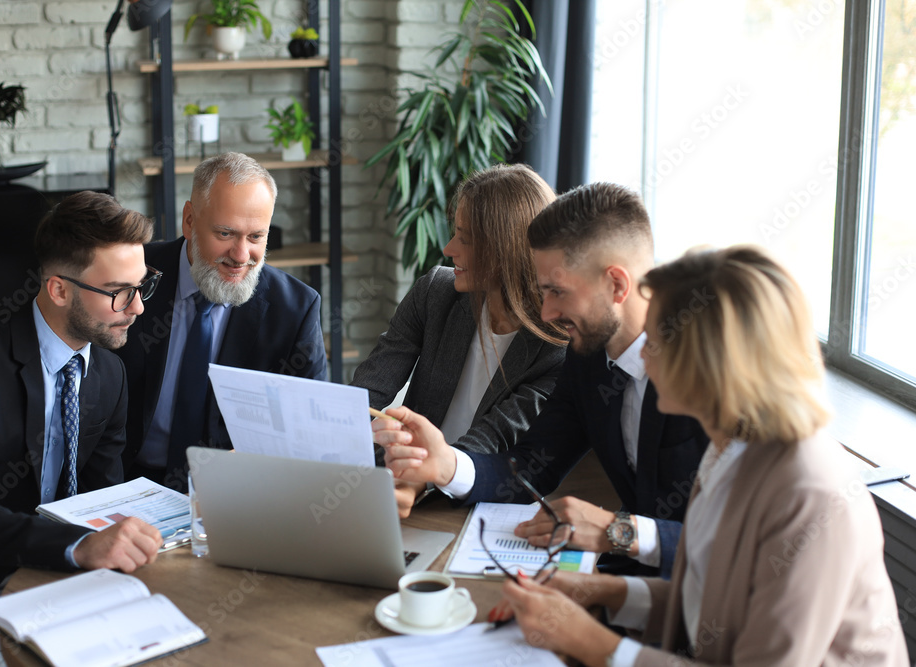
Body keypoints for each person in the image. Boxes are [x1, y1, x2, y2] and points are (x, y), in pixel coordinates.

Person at [496, 245, 909, 666]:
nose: (641, 353)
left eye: (655, 340)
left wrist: (596, 645)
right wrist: (604, 592)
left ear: (710, 362)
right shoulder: (728, 449)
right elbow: (709, 601)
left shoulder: (809, 493)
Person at [375, 183, 708, 576]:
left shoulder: (710, 366)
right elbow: (531, 466)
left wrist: (619, 532)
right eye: (541, 291)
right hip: (636, 587)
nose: (546, 313)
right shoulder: (587, 358)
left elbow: (743, 543)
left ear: (617, 285)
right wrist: (447, 465)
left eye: (557, 292)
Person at [0, 192, 164, 665]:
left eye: (142, 286)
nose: (137, 309)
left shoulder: (109, 374)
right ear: (58, 290)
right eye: (119, 291)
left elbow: (101, 499)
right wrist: (79, 547)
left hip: (70, 589)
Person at [351, 164, 568, 514]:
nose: (450, 248)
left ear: (507, 249)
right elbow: (366, 393)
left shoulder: (555, 347)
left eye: (465, 239)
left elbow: (493, 437)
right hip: (402, 485)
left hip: (477, 499)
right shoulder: (435, 293)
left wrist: (423, 476)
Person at [115, 153, 327, 492]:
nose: (241, 256)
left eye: (256, 237)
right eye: (226, 233)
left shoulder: (296, 309)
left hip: (234, 492)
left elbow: (308, 430)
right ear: (189, 221)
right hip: (125, 481)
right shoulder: (132, 274)